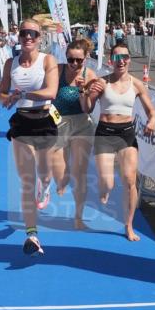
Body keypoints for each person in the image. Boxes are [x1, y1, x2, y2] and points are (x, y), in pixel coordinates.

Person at [84, 41, 155, 242]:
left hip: (126, 133)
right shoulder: (102, 82)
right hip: (104, 134)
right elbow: (88, 108)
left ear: (129, 60)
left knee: (129, 181)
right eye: (116, 57)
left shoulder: (136, 84)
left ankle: (129, 225)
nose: (121, 61)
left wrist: (152, 120)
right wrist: (86, 92)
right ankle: (105, 188)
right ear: (111, 61)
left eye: (124, 57)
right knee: (107, 183)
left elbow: (151, 111)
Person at [0, 18, 60, 256]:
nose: (27, 37)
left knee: (44, 174)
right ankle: (32, 234)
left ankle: (46, 187)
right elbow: (2, 96)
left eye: (33, 34)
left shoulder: (48, 60)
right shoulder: (9, 63)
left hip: (44, 121)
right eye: (24, 33)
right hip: (21, 122)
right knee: (26, 180)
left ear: (39, 38)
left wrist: (23, 92)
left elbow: (51, 92)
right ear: (18, 36)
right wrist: (8, 98)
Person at [49, 38, 97, 230]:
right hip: (58, 123)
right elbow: (47, 93)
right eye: (71, 59)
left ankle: (78, 217)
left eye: (79, 60)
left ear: (86, 58)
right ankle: (63, 178)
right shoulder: (58, 71)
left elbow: (88, 109)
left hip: (81, 124)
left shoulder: (90, 75)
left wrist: (82, 90)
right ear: (66, 57)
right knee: (60, 176)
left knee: (80, 172)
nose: (74, 64)